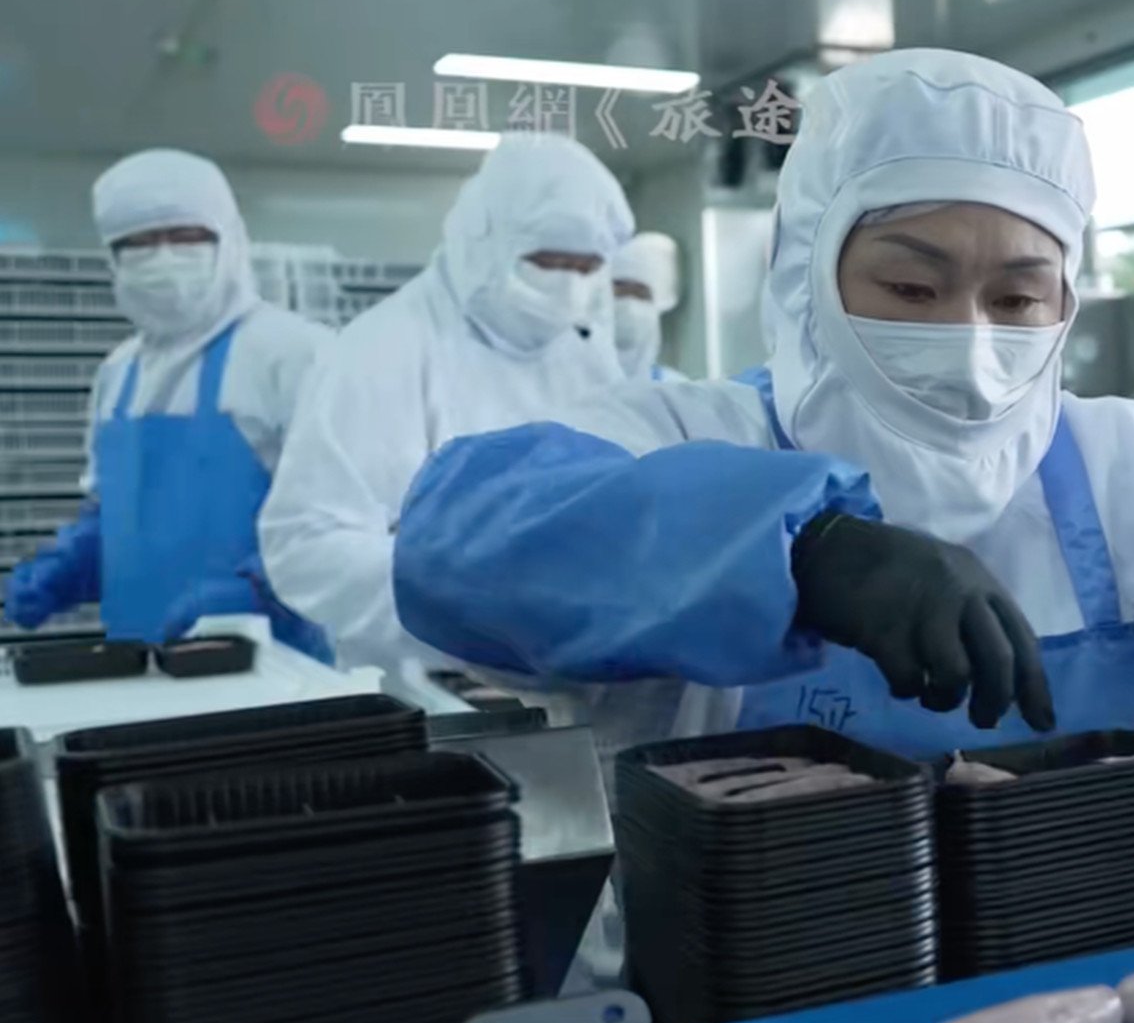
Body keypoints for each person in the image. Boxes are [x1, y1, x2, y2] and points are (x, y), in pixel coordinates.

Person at [390, 49, 1134, 759]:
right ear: (806, 274)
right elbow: (459, 534)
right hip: (766, 1019)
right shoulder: (682, 437)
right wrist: (801, 554)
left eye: (1018, 294)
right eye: (909, 288)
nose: (970, 335)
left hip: (1120, 992)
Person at [257, 133, 632, 675]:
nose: (568, 285)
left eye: (586, 265)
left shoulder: (582, 347)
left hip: (577, 667)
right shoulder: (383, 350)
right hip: (427, 686)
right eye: (547, 261)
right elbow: (307, 544)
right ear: (485, 242)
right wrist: (470, 600)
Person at [2, 149, 332, 648]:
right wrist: (70, 564)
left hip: (276, 662)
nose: (163, 257)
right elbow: (119, 512)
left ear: (229, 238)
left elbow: (350, 510)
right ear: (112, 257)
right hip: (141, 657)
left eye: (185, 237)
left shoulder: (292, 352)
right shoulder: (118, 372)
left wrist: (255, 590)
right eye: (138, 243)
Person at [610, 232, 686, 382]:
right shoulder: (570, 382)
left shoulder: (675, 389)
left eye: (640, 294)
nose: (629, 304)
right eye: (620, 292)